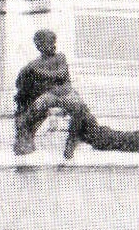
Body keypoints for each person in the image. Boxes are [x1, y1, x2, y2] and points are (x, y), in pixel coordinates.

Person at [12, 29, 89, 160]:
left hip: (66, 92)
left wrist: (37, 72)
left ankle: (70, 145)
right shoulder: (34, 64)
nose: (53, 45)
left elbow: (61, 74)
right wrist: (27, 73)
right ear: (39, 46)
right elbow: (19, 82)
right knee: (33, 111)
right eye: (49, 43)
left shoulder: (60, 57)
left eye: (54, 42)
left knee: (80, 109)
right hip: (49, 95)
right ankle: (25, 140)